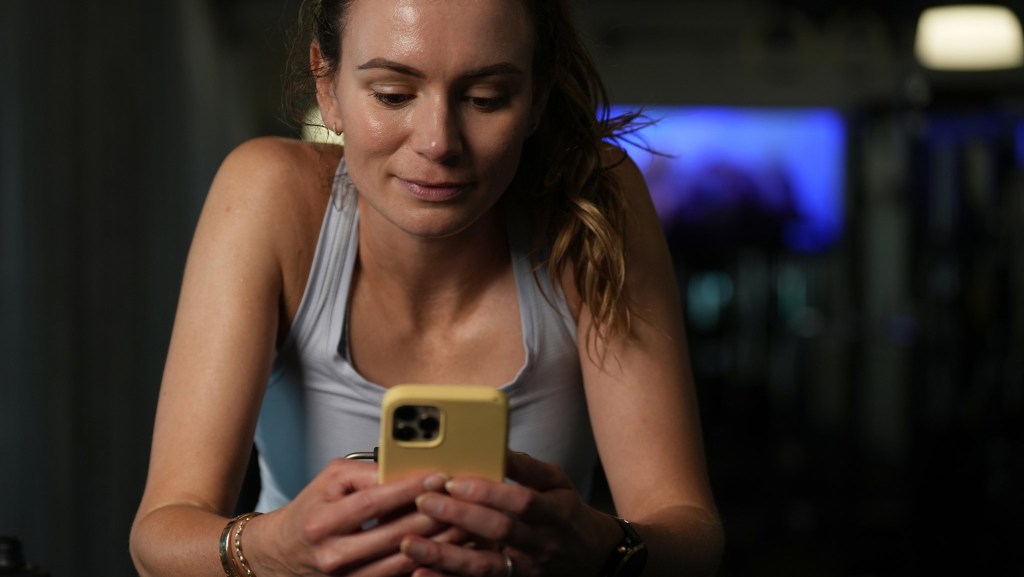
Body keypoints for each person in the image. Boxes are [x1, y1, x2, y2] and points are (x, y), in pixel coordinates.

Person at [129, 0, 724, 575]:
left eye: (486, 98)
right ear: (326, 83)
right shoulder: (270, 196)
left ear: (538, 97)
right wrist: (275, 547)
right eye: (392, 95)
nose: (438, 142)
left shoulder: (598, 201)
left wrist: (601, 548)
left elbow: (691, 535)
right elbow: (158, 537)